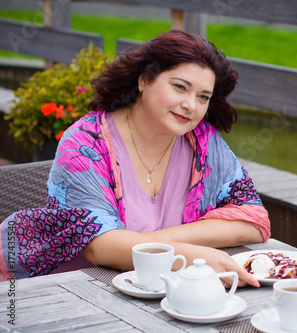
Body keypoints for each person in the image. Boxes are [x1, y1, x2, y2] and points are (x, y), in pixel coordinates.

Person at [0, 30, 270, 287]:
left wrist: (145, 242)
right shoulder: (85, 143)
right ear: (144, 80)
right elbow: (99, 247)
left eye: (203, 97)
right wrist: (192, 257)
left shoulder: (202, 141)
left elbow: (254, 220)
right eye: (179, 87)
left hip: (157, 288)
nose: (191, 105)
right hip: (69, 288)